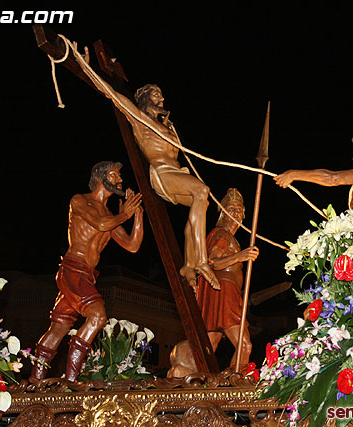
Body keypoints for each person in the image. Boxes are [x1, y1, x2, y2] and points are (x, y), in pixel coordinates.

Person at [72, 46, 219, 291]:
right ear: (144, 99)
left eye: (161, 96)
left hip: (176, 173)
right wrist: (87, 68)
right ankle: (202, 261)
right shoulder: (139, 118)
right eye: (156, 95)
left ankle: (189, 263)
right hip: (162, 174)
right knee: (202, 190)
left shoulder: (167, 127)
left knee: (202, 201)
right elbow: (111, 94)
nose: (161, 99)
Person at [30, 161, 144, 384]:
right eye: (114, 175)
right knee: (98, 316)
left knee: (59, 327)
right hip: (74, 269)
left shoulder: (110, 215)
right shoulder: (80, 200)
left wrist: (137, 214)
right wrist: (124, 216)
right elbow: (101, 224)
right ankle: (71, 380)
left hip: (88, 274)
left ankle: (36, 380)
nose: (120, 180)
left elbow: (132, 245)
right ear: (100, 178)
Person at [168, 188, 259, 377]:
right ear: (222, 212)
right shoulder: (222, 235)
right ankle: (234, 381)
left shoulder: (228, 237)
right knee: (244, 344)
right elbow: (210, 263)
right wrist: (240, 257)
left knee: (208, 347)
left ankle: (195, 374)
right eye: (231, 208)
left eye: (239, 209)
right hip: (223, 292)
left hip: (225, 292)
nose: (236, 212)